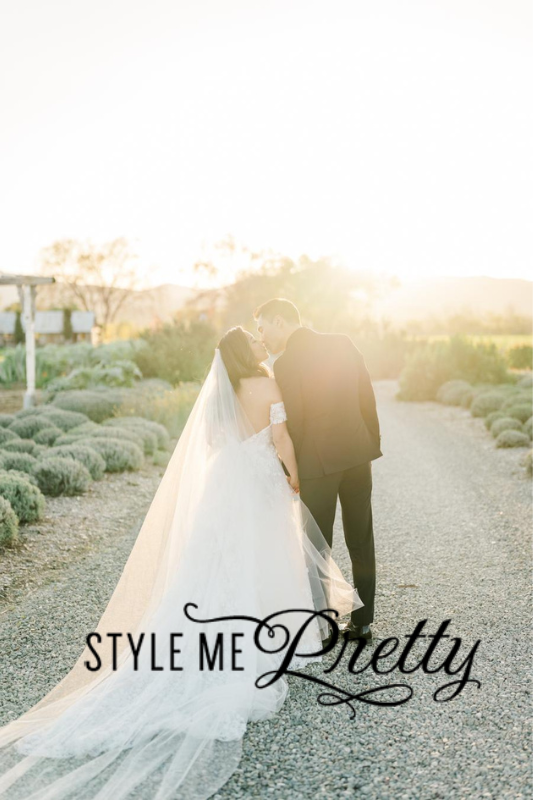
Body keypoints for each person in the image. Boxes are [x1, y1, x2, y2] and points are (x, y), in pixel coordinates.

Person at [0, 326, 362, 800]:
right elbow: (282, 439)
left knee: (217, 562)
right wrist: (293, 480)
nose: (260, 344)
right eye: (253, 341)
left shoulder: (221, 391)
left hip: (225, 481)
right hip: (259, 482)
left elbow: (212, 443)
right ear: (243, 352)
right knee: (265, 556)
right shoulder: (268, 383)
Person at [254, 298, 382, 642]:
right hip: (357, 456)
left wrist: (290, 468)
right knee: (361, 538)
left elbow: (293, 421)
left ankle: (323, 627)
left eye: (263, 328)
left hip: (317, 466)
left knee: (316, 545)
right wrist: (369, 442)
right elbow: (365, 395)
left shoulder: (286, 364)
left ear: (280, 322)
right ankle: (363, 623)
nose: (262, 337)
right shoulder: (343, 342)